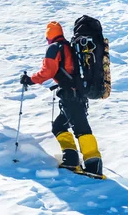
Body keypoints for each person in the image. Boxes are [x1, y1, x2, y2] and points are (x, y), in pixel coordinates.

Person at [20, 21, 103, 176]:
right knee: (59, 126)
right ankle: (70, 160)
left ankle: (94, 166)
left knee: (81, 129)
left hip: (71, 95)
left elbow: (48, 71)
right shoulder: (68, 47)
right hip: (76, 94)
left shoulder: (54, 48)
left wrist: (30, 79)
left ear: (49, 35)